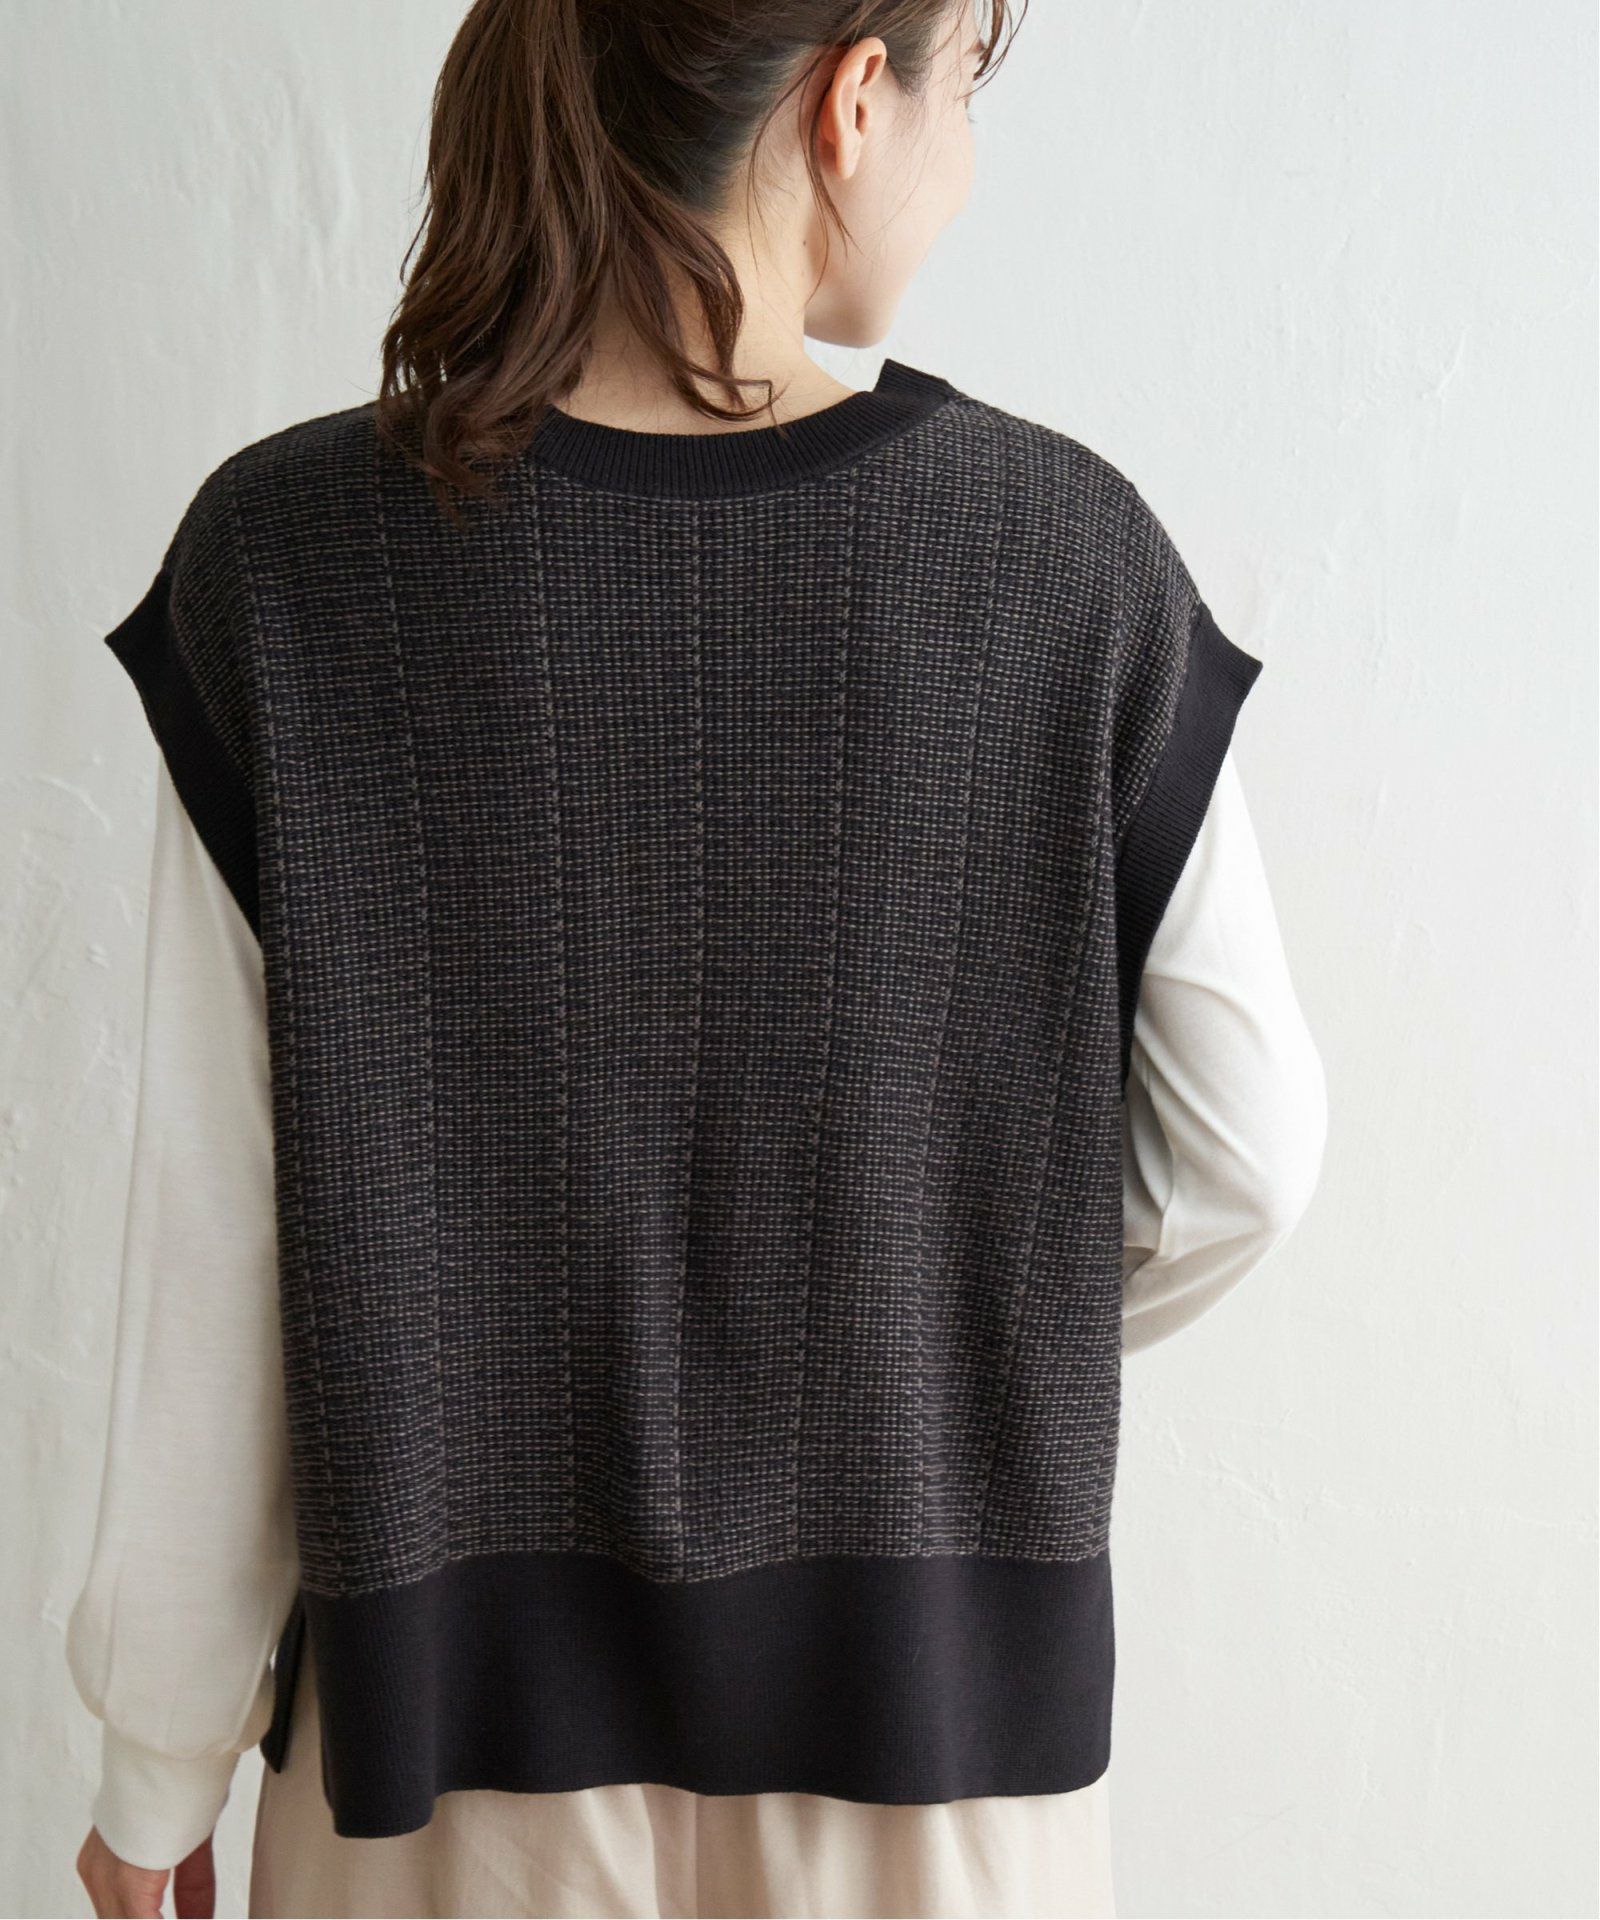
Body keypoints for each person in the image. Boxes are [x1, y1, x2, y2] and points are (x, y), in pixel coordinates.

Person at [70, 1, 1328, 1915]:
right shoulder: (1063, 566)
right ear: (851, 102)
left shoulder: (293, 567)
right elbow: (1250, 1156)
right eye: (964, 86)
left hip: (444, 1774)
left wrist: (157, 1771)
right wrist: (935, 1330)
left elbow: (225, 1247)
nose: (963, 159)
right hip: (932, 1763)